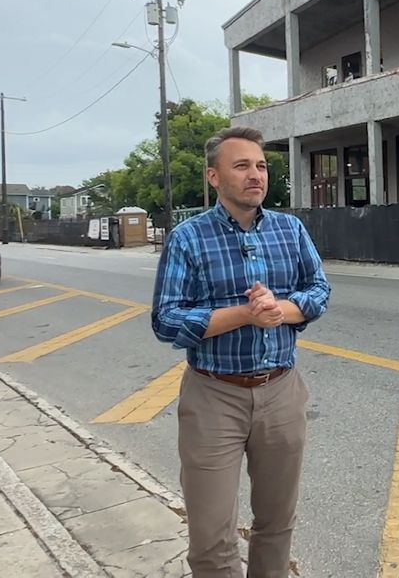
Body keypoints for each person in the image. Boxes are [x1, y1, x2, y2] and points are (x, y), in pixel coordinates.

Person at [151, 125, 330, 578]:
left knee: (277, 523)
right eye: (242, 165)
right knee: (211, 536)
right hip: (214, 395)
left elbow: (318, 289)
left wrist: (280, 309)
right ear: (214, 176)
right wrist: (245, 314)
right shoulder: (188, 237)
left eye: (261, 166)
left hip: (282, 391)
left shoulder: (290, 230)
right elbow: (167, 319)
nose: (256, 175)